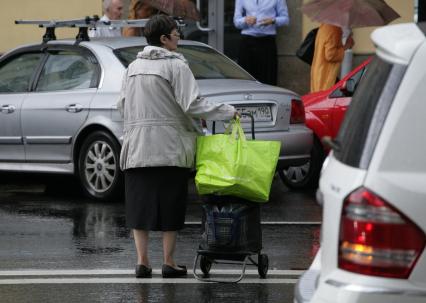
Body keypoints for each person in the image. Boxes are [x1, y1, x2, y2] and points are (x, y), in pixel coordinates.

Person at [117, 15, 238, 278]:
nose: (179, 37)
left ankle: (142, 262)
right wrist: (228, 112)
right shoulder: (176, 66)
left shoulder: (132, 68)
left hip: (137, 148)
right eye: (176, 33)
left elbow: (122, 105)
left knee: (140, 206)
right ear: (164, 39)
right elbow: (192, 104)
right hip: (168, 148)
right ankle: (169, 262)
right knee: (170, 205)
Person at [233, 0, 290, 86]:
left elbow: (285, 19)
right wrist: (245, 20)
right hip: (247, 41)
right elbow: (236, 21)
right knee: (246, 78)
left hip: (267, 42)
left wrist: (273, 20)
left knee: (268, 78)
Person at [310, 23, 354, 92]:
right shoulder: (334, 29)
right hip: (325, 74)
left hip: (320, 69)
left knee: (317, 96)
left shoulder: (325, 25)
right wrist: (346, 46)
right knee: (323, 98)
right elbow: (330, 55)